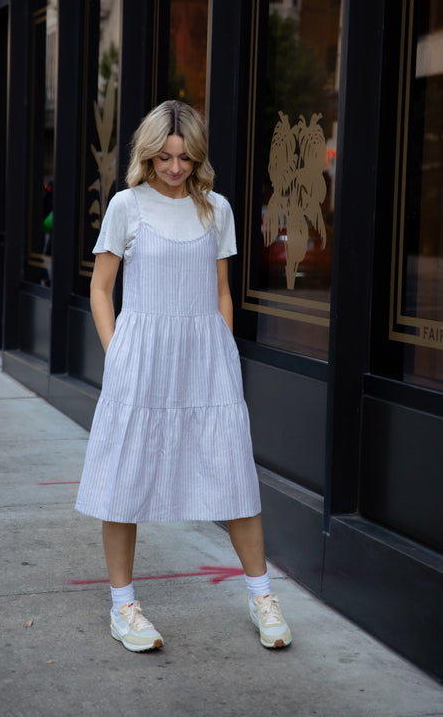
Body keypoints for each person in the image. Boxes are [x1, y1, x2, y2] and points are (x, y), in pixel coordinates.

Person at [75, 101, 292, 653]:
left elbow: (222, 291)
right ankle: (124, 606)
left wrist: (225, 353)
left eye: (186, 158)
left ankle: (262, 595)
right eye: (165, 157)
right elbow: (101, 289)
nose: (175, 168)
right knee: (126, 480)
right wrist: (116, 351)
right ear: (147, 154)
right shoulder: (127, 206)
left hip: (206, 358)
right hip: (141, 358)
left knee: (235, 476)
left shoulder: (216, 209)